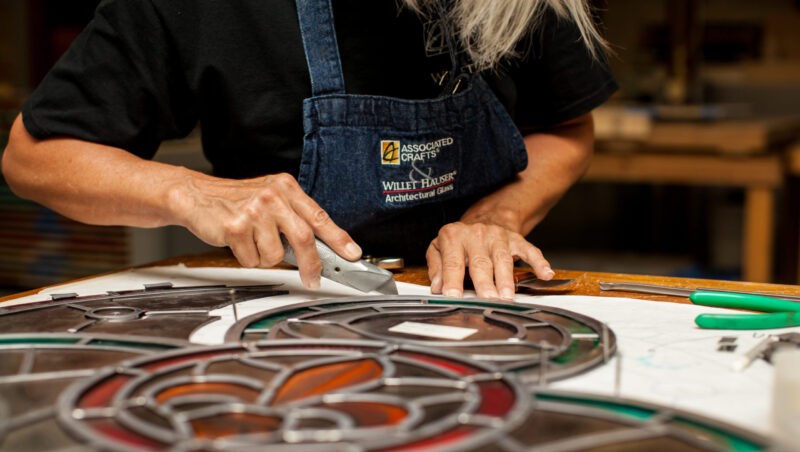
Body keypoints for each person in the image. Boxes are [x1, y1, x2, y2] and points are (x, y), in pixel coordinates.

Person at [1, 0, 617, 300]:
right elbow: (33, 156)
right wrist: (189, 192)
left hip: (479, 308)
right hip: (282, 319)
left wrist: (493, 221)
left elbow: (565, 127)